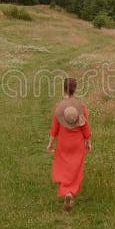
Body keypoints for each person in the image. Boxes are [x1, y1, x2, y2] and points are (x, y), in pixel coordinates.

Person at [46, 77, 92, 211]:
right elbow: (86, 127)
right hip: (77, 143)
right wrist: (88, 142)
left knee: (63, 166)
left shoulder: (59, 107)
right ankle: (71, 192)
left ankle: (66, 192)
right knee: (75, 168)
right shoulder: (81, 107)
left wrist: (50, 143)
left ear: (64, 89)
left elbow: (54, 129)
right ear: (75, 89)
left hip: (63, 142)